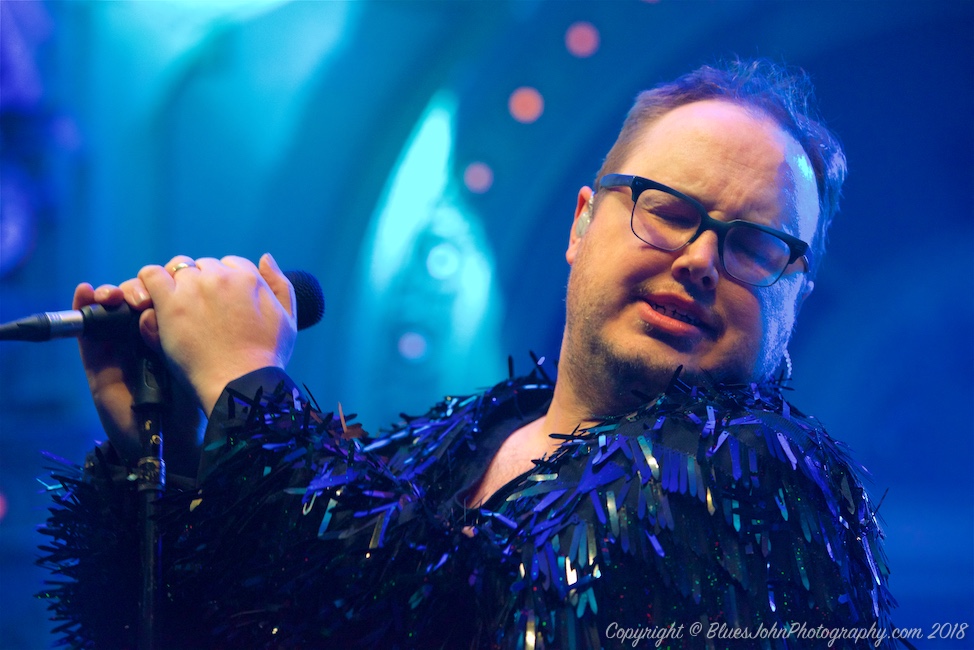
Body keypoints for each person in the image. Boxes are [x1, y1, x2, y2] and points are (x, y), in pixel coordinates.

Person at [40, 59, 901, 649]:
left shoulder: (768, 475)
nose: (702, 260)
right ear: (581, 224)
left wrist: (246, 386)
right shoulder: (437, 451)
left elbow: (463, 618)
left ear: (795, 298)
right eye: (669, 210)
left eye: (753, 244)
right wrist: (167, 460)